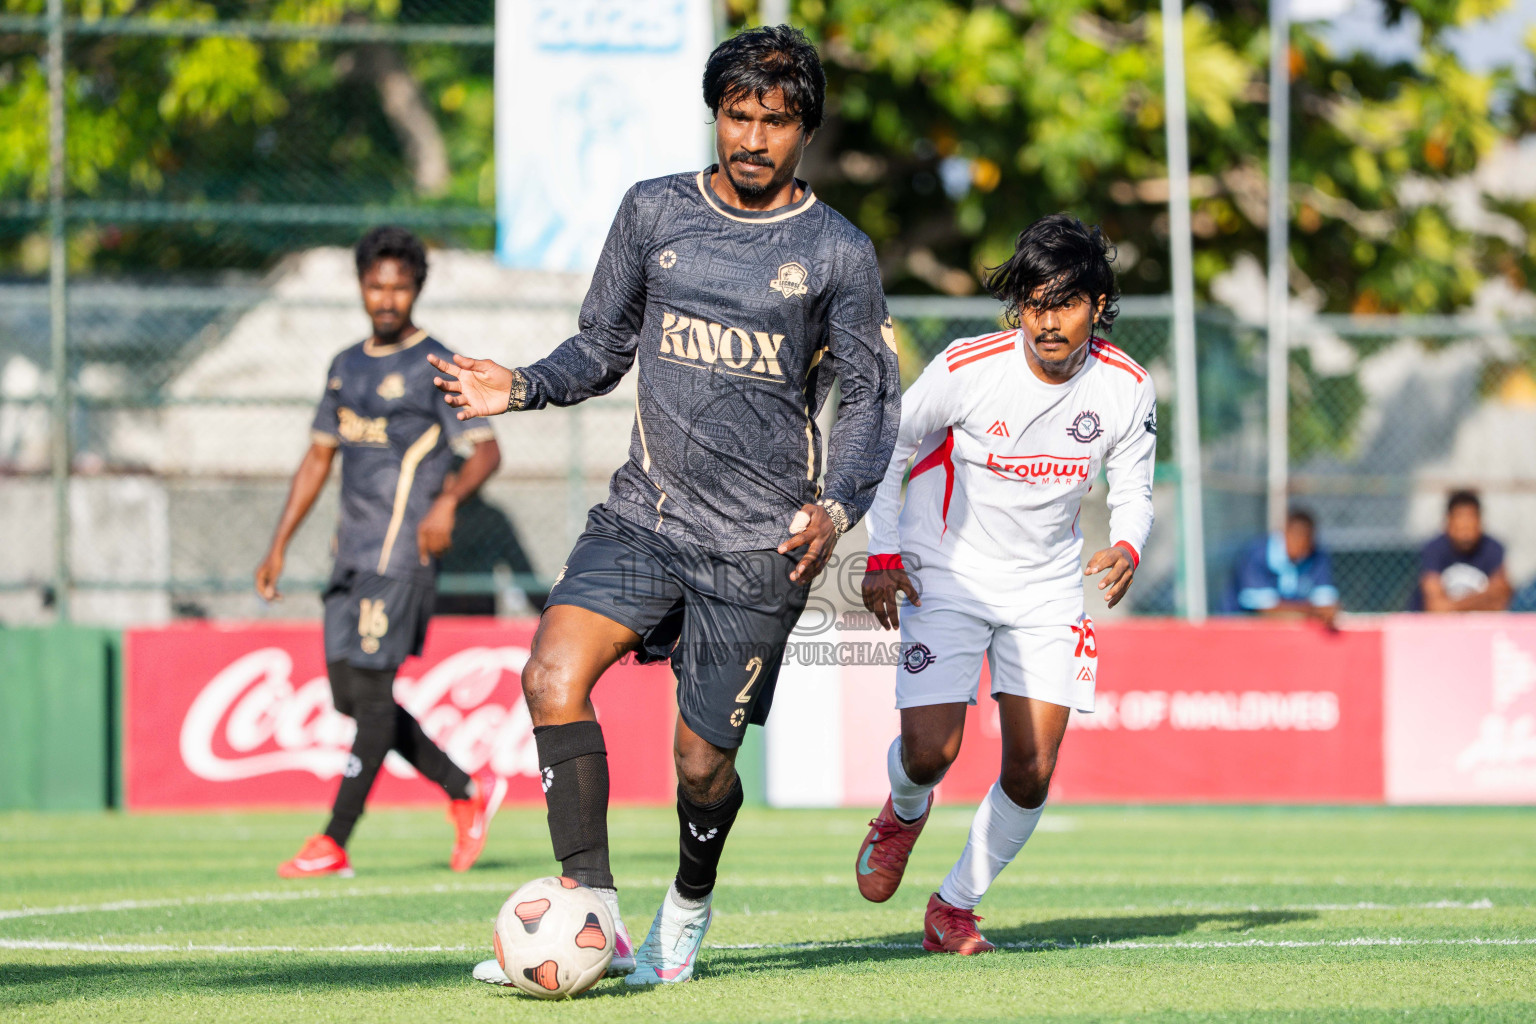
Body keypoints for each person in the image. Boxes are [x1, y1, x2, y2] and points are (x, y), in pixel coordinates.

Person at [430, 26, 899, 986]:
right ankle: (591, 910)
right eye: (738, 115)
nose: (753, 138)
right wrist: (518, 386)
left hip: (761, 546)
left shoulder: (838, 253)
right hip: (645, 516)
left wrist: (838, 508)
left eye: (775, 121)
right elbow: (599, 349)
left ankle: (686, 904)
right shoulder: (652, 214)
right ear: (715, 114)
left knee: (698, 765)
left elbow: (869, 402)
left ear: (804, 130)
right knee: (551, 671)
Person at [854, 214, 1155, 954]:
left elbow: (1134, 490)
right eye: (1034, 301)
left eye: (1067, 302)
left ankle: (954, 906)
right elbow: (890, 444)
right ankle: (903, 808)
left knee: (1032, 768)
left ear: (1099, 306)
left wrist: (1127, 544)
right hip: (946, 573)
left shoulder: (1127, 389)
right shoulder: (968, 366)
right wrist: (883, 552)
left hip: (1046, 586)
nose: (1049, 321)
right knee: (930, 754)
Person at [255, 226, 507, 879]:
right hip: (349, 558)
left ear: (415, 289)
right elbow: (318, 457)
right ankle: (462, 788)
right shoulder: (345, 365)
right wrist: (279, 544)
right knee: (349, 696)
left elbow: (487, 449)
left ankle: (334, 839)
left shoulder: (437, 362)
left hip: (401, 558)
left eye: (399, 286)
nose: (387, 298)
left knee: (370, 695)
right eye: (376, 285)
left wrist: (448, 500)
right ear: (361, 288)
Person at [1221, 509, 1339, 625]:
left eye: (1306, 538)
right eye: (1296, 536)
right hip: (1240, 627)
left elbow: (1326, 603)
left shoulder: (1317, 556)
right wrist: (1312, 610)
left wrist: (1325, 609)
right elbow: (1265, 609)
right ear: (1284, 534)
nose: (1300, 543)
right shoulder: (1256, 556)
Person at [1409, 490, 1511, 612]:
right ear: (1448, 521)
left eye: (1470, 520)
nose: (1465, 529)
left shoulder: (1493, 548)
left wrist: (1451, 606)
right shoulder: (1434, 549)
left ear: (1479, 521)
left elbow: (1501, 601)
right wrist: (1484, 598)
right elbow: (1435, 607)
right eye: (1460, 521)